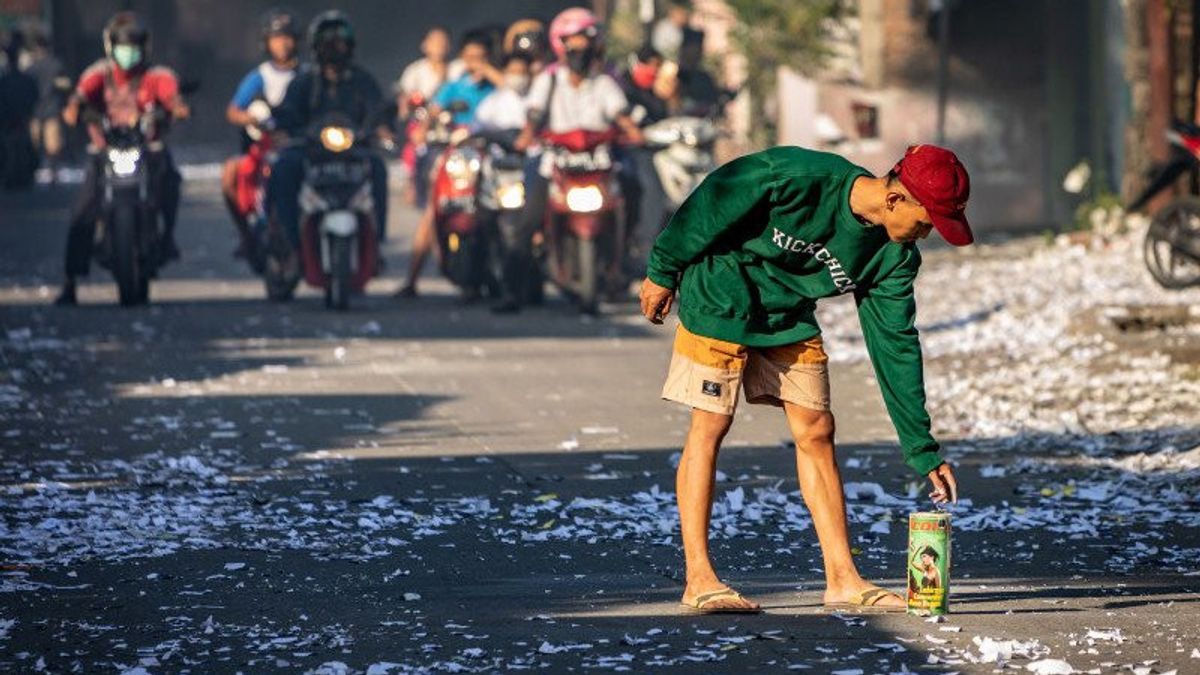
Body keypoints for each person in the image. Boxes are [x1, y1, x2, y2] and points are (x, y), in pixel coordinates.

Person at [638, 144, 970, 612]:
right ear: (896, 200)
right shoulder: (795, 176)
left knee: (817, 429)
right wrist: (662, 270)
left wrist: (922, 447)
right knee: (711, 422)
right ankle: (699, 578)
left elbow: (895, 344)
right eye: (926, 221)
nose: (927, 233)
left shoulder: (893, 257)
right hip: (722, 291)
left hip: (788, 315)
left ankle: (842, 578)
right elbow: (714, 197)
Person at [491, 7, 644, 314]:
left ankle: (627, 257)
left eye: (585, 43)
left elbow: (622, 117)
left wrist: (635, 133)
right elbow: (533, 116)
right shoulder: (548, 81)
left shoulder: (604, 84)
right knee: (526, 220)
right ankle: (511, 290)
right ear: (561, 45)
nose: (580, 50)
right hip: (555, 163)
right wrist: (526, 136)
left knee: (633, 188)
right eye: (573, 43)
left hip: (598, 165)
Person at [54, 12, 190, 306]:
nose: (129, 52)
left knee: (171, 184)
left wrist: (176, 107)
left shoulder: (157, 76)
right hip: (106, 154)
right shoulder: (98, 75)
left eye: (134, 45)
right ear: (111, 46)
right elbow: (77, 99)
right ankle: (71, 280)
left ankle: (166, 240)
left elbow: (174, 98)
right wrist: (75, 109)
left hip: (147, 152)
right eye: (123, 45)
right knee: (82, 212)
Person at [267, 10, 391, 253]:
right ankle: (289, 241)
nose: (335, 49)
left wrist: (382, 128)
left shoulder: (362, 80)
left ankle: (376, 245)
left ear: (350, 46)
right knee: (283, 169)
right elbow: (287, 111)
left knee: (378, 167)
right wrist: (286, 129)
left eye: (340, 43)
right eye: (328, 44)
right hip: (310, 149)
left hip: (353, 150)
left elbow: (378, 109)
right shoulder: (304, 81)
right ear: (316, 47)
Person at [396, 29, 499, 299]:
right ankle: (411, 279)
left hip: (489, 159)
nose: (474, 62)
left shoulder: (495, 87)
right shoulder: (454, 85)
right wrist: (423, 130)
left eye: (481, 57)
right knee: (433, 211)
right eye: (470, 57)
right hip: (457, 157)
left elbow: (512, 98)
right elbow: (433, 111)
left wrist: (490, 72)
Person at [220, 8, 299, 262]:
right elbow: (233, 111)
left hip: (296, 144)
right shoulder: (260, 76)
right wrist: (252, 119)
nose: (283, 43)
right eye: (277, 37)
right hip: (262, 145)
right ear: (267, 42)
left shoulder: (306, 75)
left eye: (288, 36)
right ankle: (247, 235)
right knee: (231, 174)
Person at [20, 26, 67, 181]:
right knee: (52, 146)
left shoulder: (29, 68)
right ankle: (53, 173)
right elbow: (64, 84)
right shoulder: (56, 65)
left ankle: (31, 171)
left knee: (33, 144)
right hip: (51, 109)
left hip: (34, 110)